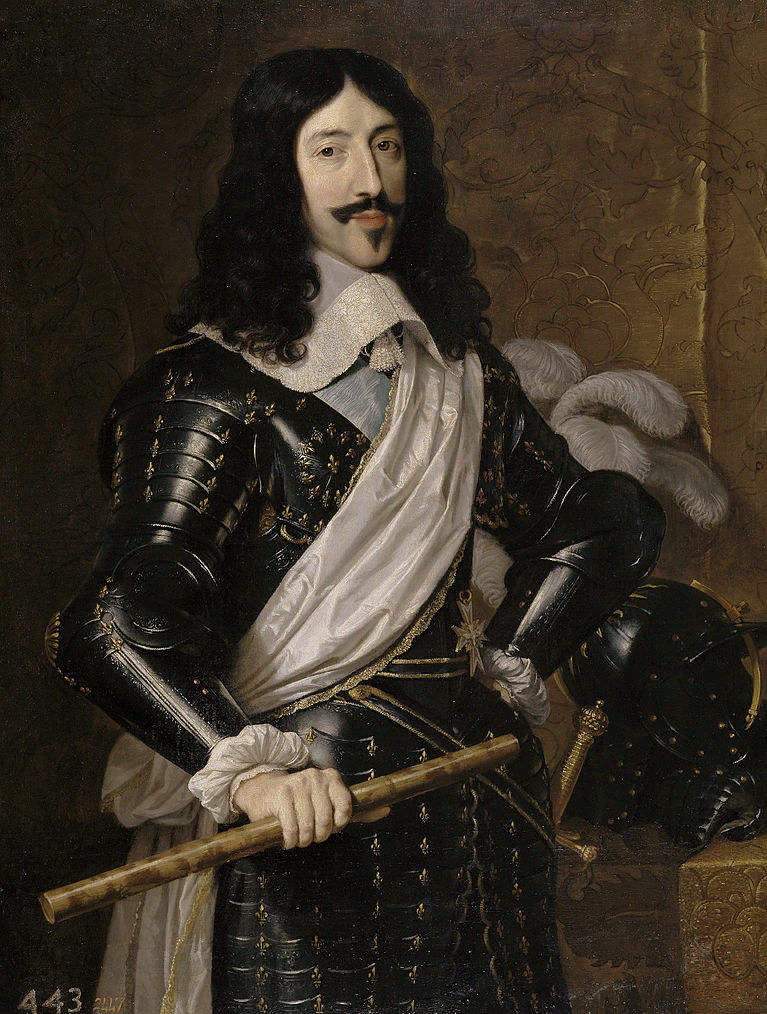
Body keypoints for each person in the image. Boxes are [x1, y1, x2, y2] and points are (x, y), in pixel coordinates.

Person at [46, 48, 665, 1014]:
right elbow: (111, 623)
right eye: (331, 150)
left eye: (387, 147)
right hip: (314, 830)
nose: (370, 182)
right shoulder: (204, 389)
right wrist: (250, 773)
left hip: (484, 812)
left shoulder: (461, 375)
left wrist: (513, 653)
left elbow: (601, 519)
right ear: (276, 177)